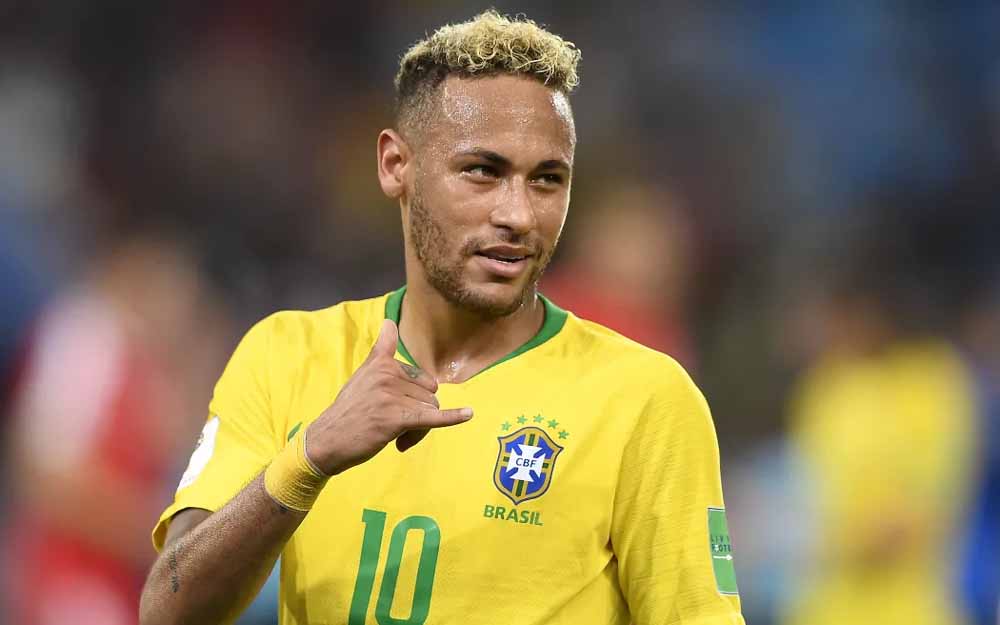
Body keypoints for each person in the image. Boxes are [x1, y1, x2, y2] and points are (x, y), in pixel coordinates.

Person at [139, 11, 745, 625]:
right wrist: (310, 458)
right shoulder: (287, 355)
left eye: (547, 179)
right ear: (395, 165)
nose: (518, 215)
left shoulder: (645, 399)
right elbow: (168, 609)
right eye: (482, 171)